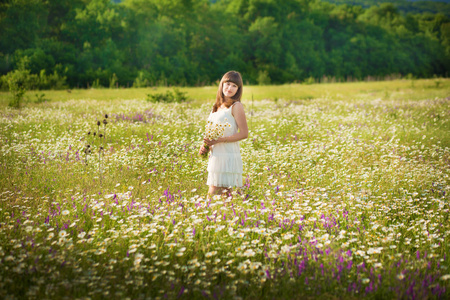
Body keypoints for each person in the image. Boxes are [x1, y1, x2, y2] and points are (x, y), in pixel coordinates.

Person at [199, 71, 248, 195]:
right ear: (222, 84)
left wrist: (220, 140)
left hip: (228, 155)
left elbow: (244, 133)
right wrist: (206, 146)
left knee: (214, 193)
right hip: (216, 156)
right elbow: (211, 133)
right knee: (226, 196)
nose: (230, 88)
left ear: (238, 89)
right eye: (228, 84)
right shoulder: (216, 107)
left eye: (234, 86)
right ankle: (242, 211)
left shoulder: (236, 106)